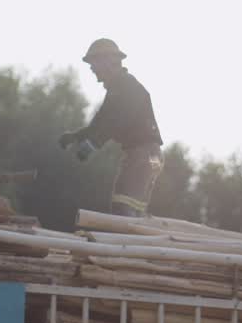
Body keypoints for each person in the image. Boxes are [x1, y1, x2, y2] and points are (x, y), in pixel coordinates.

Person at [59, 39, 164, 217]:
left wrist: (93, 144)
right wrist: (75, 137)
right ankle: (133, 241)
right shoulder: (118, 88)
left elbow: (118, 121)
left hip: (143, 154)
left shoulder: (127, 87)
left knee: (123, 208)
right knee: (133, 210)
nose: (93, 71)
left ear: (107, 62)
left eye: (94, 65)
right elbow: (100, 123)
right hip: (148, 154)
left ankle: (127, 243)